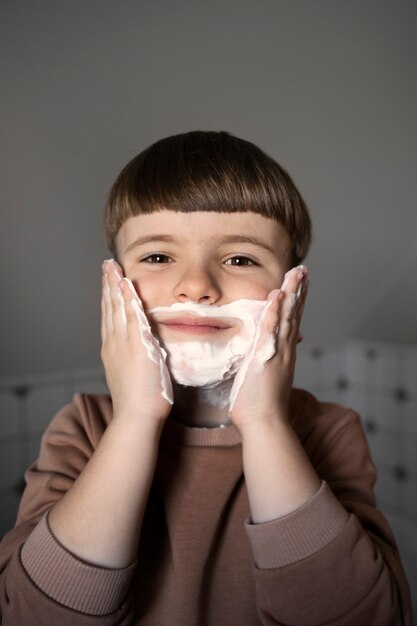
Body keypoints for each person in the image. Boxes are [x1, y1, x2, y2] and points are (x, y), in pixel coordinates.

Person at [0, 131, 412, 626]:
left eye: (240, 259)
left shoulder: (330, 431)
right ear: (114, 283)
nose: (196, 286)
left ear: (292, 293)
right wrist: (134, 418)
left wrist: (263, 421)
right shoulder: (83, 428)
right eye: (157, 257)